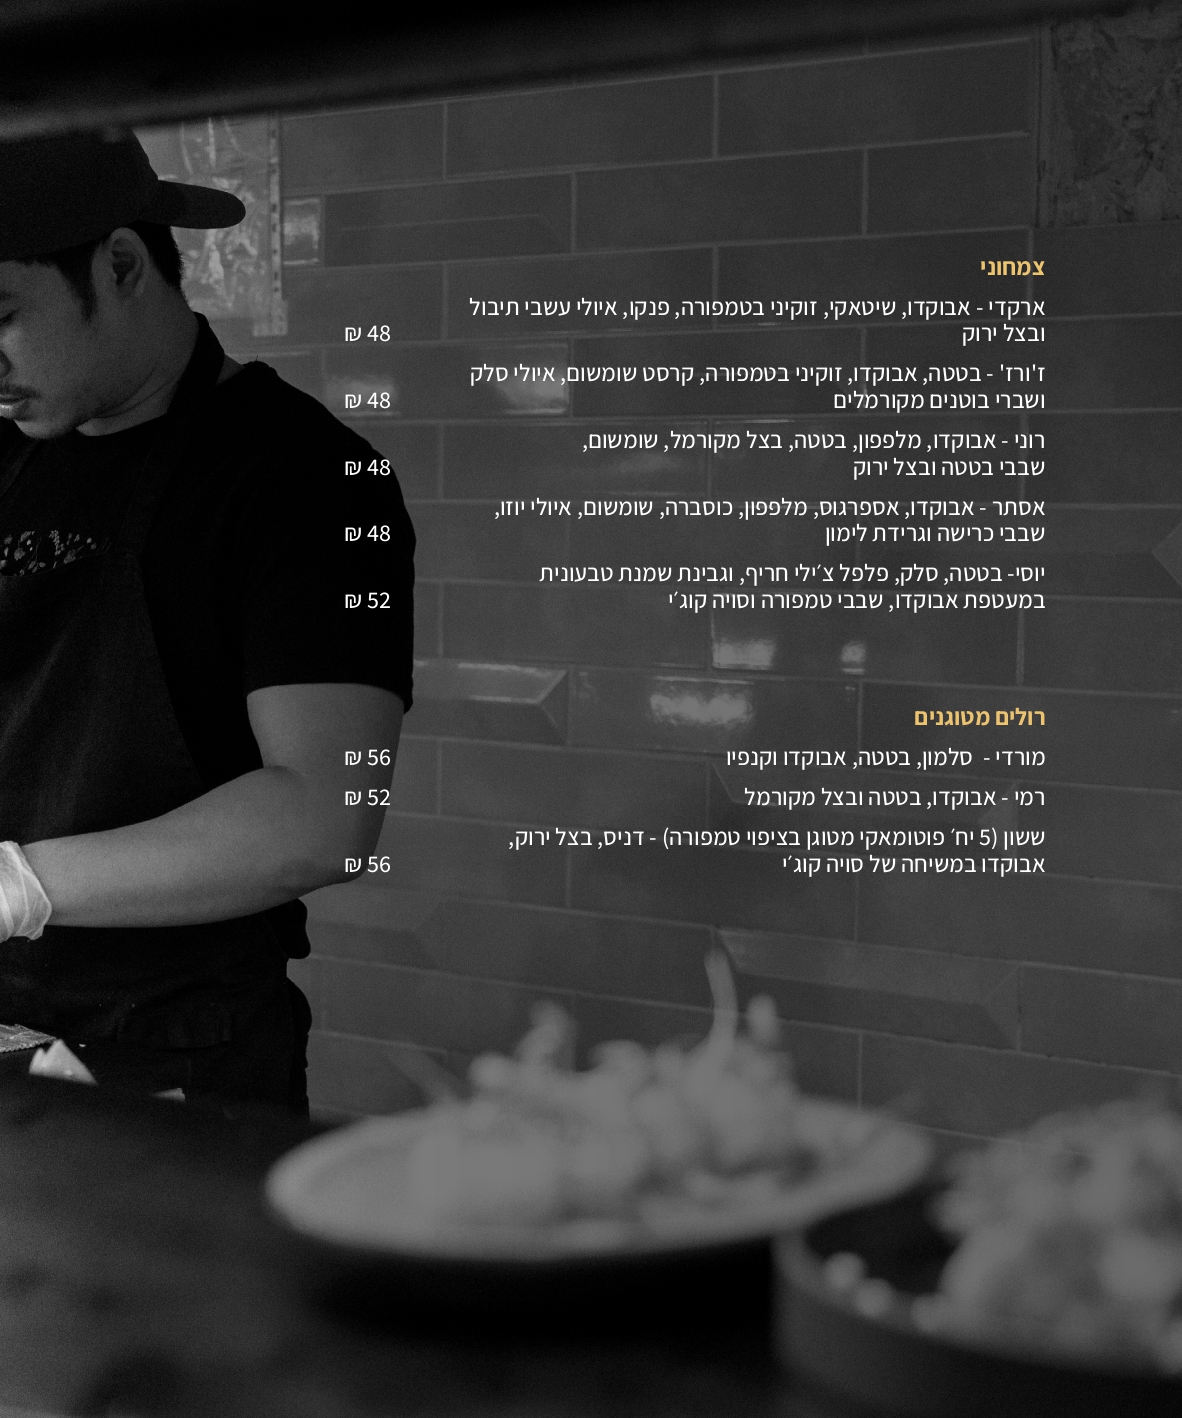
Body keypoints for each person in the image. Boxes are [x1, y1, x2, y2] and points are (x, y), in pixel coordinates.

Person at [0, 130, 415, 1115]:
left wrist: (18, 885)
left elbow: (327, 816)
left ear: (121, 264)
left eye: (2, 317)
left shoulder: (306, 476)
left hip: (171, 1057)